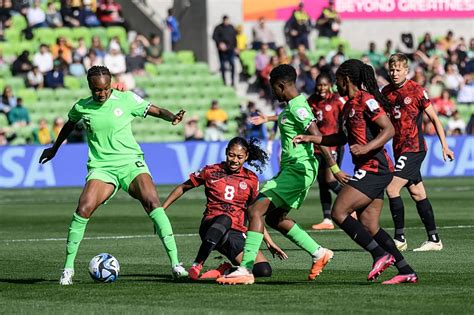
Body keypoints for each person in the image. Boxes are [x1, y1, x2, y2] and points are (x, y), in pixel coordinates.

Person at [38, 65, 188, 285]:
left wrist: (171, 116)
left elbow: (154, 110)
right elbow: (69, 125)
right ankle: (68, 269)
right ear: (90, 87)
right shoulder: (82, 106)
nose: (102, 93)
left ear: (110, 85)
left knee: (152, 201)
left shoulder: (126, 99)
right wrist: (54, 149)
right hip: (102, 167)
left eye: (106, 88)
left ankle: (176, 264)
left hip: (131, 164)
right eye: (97, 90)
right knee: (83, 208)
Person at [293, 59, 418, 284]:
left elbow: (388, 129)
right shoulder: (349, 104)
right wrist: (312, 138)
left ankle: (380, 254)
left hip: (375, 167)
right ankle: (405, 270)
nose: (335, 84)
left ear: (346, 79)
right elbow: (343, 137)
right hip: (368, 168)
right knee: (370, 225)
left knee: (339, 212)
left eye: (337, 80)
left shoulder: (366, 100)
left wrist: (367, 147)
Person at [217, 64, 335, 285]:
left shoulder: (299, 106)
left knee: (255, 209)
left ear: (281, 85)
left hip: (298, 169)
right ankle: (319, 252)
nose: (273, 93)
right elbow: (290, 118)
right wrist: (269, 118)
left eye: (273, 88)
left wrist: (334, 168)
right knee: (274, 218)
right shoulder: (293, 106)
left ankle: (246, 268)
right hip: (294, 169)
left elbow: (318, 136)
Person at [162, 137, 288, 280]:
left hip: (235, 233)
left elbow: (254, 214)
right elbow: (183, 187)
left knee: (263, 270)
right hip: (211, 226)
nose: (234, 160)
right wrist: (162, 210)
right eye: (231, 155)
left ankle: (225, 270)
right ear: (226, 152)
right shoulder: (210, 171)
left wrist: (269, 241)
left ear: (246, 157)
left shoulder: (251, 179)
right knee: (225, 218)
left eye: (239, 157)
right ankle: (197, 264)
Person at [382, 53, 455, 252]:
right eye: (392, 69)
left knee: (392, 189)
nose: (394, 73)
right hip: (399, 149)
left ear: (406, 70)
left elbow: (434, 118)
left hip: (414, 148)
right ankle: (434, 239)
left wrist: (444, 145)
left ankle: (399, 238)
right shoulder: (386, 92)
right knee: (417, 193)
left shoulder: (416, 90)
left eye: (398, 70)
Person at [306, 72, 347, 230]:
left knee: (330, 180)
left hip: (333, 146)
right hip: (316, 147)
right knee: (322, 182)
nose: (321, 88)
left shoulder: (337, 100)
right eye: (319, 85)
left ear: (330, 85)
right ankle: (327, 219)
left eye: (324, 85)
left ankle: (353, 203)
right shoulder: (312, 101)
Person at [212, 15, 237, 86]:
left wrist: (236, 47)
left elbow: (234, 38)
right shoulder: (218, 28)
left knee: (232, 64)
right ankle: (224, 81)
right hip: (222, 51)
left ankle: (232, 82)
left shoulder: (231, 27)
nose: (226, 22)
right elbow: (214, 37)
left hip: (230, 50)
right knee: (223, 66)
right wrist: (220, 43)